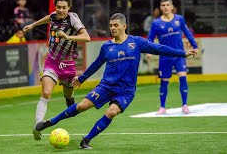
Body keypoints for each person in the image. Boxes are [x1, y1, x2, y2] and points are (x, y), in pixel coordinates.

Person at [33, 13, 196, 149]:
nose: (112, 28)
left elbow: (159, 49)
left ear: (124, 26)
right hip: (106, 86)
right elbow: (97, 64)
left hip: (126, 90)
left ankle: (86, 140)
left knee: (111, 112)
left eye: (116, 25)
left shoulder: (136, 42)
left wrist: (183, 53)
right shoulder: (107, 47)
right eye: (111, 25)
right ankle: (50, 122)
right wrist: (82, 78)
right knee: (82, 106)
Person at [23, 0, 91, 141]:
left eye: (64, 8)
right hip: (51, 62)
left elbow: (87, 37)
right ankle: (38, 126)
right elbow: (49, 17)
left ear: (69, 8)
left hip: (67, 65)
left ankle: (69, 98)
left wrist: (68, 37)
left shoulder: (73, 19)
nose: (61, 10)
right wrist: (33, 25)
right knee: (46, 93)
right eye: (58, 7)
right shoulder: (54, 15)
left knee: (68, 95)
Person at [146, 0, 199, 115]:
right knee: (164, 81)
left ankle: (185, 105)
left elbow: (187, 33)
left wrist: (194, 46)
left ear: (172, 7)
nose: (165, 7)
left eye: (167, 5)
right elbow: (149, 39)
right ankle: (162, 107)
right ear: (160, 8)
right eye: (163, 5)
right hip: (165, 56)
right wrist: (148, 51)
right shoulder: (156, 23)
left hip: (179, 55)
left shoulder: (179, 19)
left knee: (183, 77)